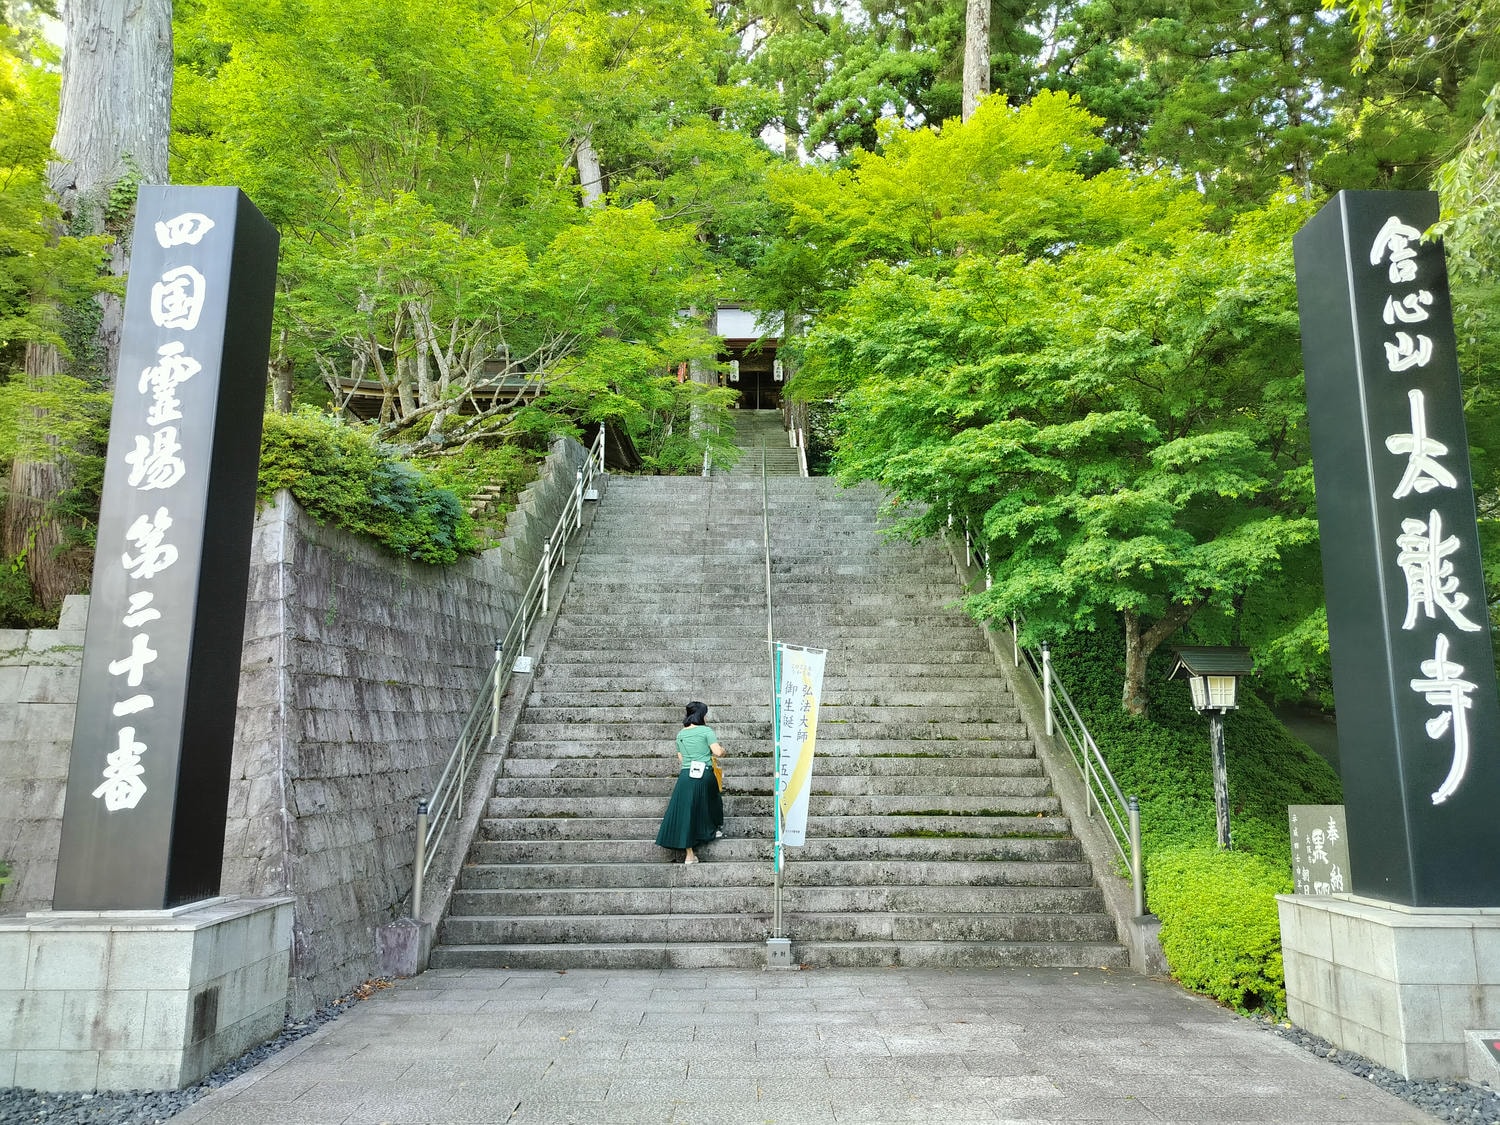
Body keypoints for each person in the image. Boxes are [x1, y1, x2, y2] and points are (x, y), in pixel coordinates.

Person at [654, 700, 726, 864]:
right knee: (713, 800)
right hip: (704, 774)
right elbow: (717, 752)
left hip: (686, 776)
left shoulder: (681, 734)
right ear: (702, 715)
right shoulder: (706, 731)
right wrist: (722, 750)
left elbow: (681, 758)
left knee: (686, 812)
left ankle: (689, 855)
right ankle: (713, 830)